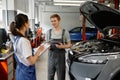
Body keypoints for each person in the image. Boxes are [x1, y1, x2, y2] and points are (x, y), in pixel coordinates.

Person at [10, 13, 44, 80]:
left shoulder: (16, 39)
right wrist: (39, 51)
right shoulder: (24, 41)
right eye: (28, 21)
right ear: (25, 24)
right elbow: (31, 62)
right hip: (27, 74)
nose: (29, 23)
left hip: (20, 71)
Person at [46, 14, 72, 80]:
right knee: (50, 76)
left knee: (61, 77)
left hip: (61, 57)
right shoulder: (48, 32)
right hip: (51, 57)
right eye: (51, 21)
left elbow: (69, 44)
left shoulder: (65, 32)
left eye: (54, 21)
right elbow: (46, 44)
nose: (53, 23)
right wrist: (47, 47)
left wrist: (62, 46)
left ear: (59, 21)